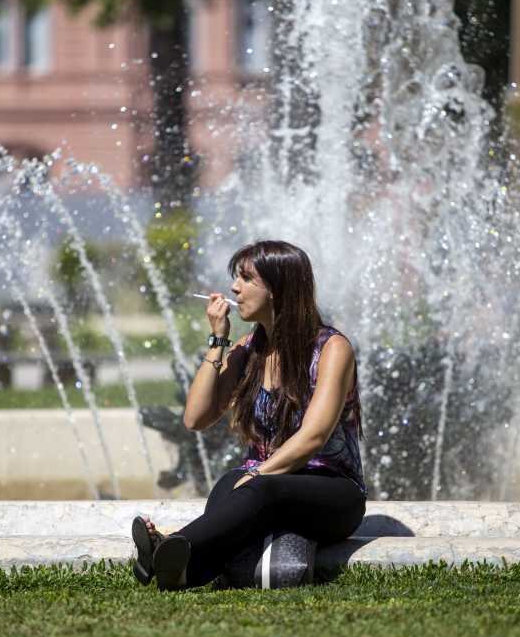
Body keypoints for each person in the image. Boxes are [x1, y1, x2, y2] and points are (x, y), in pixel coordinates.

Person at [132, 240, 365, 590]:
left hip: (332, 491)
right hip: (267, 483)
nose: (233, 288)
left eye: (245, 278)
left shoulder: (332, 348)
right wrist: (217, 340)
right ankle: (179, 572)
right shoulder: (248, 351)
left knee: (258, 490)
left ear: (276, 287)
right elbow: (195, 418)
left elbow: (314, 436)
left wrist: (258, 475)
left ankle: (169, 543)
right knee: (228, 482)